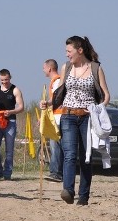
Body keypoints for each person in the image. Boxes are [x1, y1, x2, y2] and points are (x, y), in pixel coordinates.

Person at [52, 35, 110, 206]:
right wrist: (49, 103)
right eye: (66, 51)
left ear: (80, 50)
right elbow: (61, 91)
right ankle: (68, 190)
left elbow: (106, 95)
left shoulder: (96, 68)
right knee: (69, 154)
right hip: (68, 115)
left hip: (87, 118)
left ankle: (83, 196)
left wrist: (98, 108)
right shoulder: (66, 68)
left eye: (69, 51)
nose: (67, 54)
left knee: (86, 156)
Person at [0, 69, 24, 180]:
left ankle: (7, 173)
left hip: (10, 122)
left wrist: (11, 112)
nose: (4, 82)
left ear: (10, 78)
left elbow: (21, 107)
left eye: (6, 80)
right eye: (2, 80)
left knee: (9, 149)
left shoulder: (15, 90)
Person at [42, 59, 64, 183]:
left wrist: (46, 103)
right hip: (56, 116)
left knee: (56, 146)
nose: (43, 70)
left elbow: (56, 99)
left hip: (58, 117)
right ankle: (58, 172)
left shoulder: (56, 82)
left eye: (44, 68)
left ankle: (56, 172)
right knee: (58, 146)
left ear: (49, 68)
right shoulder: (56, 81)